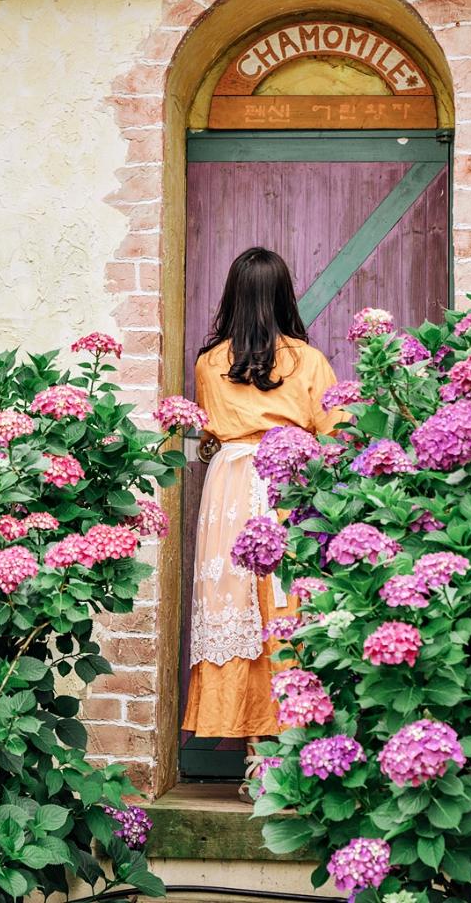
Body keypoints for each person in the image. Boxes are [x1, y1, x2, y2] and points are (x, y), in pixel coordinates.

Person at [181, 247, 342, 793]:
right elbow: (338, 435)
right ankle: (288, 762)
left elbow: (206, 435)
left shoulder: (209, 363)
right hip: (285, 485)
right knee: (284, 608)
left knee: (236, 608)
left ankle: (255, 760)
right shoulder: (308, 361)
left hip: (227, 489)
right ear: (283, 296)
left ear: (232, 297)